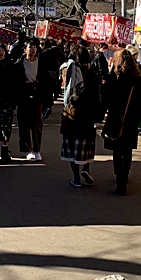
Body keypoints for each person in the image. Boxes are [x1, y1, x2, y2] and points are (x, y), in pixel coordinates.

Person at [101, 49, 141, 196]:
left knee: (117, 151)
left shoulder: (112, 79)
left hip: (115, 119)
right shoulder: (137, 80)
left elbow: (105, 100)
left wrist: (96, 117)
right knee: (127, 149)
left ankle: (119, 179)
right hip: (131, 120)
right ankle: (125, 175)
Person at [60, 44, 101, 187]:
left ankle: (76, 178)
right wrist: (97, 117)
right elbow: (97, 98)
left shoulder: (67, 71)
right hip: (87, 115)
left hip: (72, 114)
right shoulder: (92, 74)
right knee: (86, 147)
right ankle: (86, 169)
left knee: (71, 148)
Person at [12, 38, 48, 160]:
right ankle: (28, 149)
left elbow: (45, 80)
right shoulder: (18, 64)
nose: (33, 50)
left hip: (37, 93)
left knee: (37, 122)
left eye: (34, 47)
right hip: (23, 93)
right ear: (25, 49)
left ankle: (37, 149)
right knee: (24, 122)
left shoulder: (41, 62)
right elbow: (15, 81)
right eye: (30, 47)